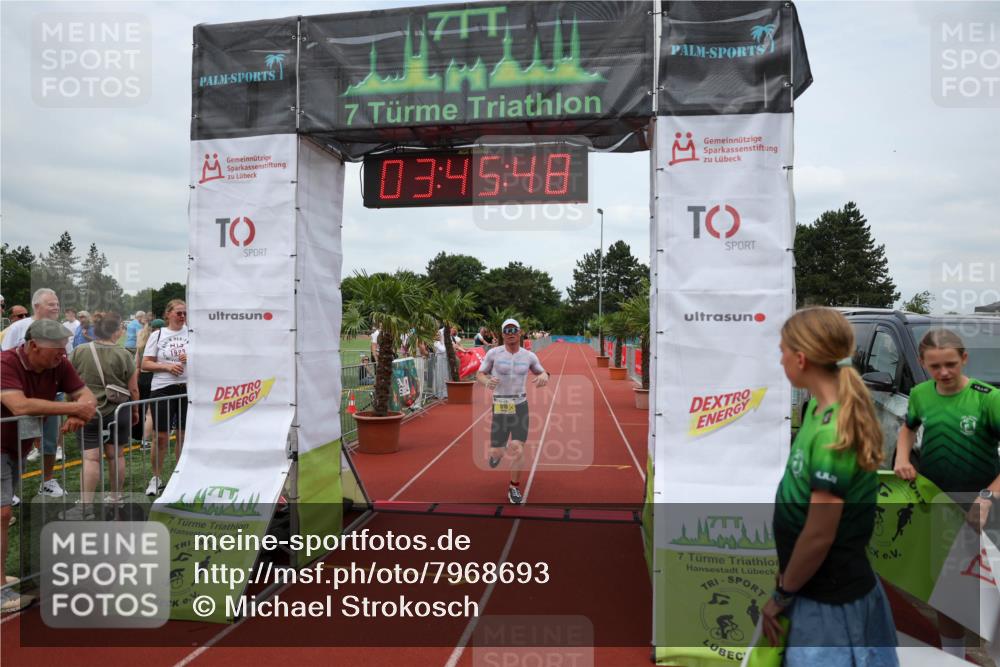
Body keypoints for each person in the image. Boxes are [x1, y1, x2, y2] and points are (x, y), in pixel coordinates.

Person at [764, 307, 897, 665]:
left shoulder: (833, 429)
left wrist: (781, 595)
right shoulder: (815, 412)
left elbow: (820, 532)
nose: (781, 361)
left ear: (801, 358)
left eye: (782, 351)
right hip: (816, 591)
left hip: (830, 603)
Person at [893, 328, 1000, 658]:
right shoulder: (922, 393)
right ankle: (952, 659)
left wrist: (987, 497)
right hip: (938, 503)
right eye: (935, 366)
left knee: (993, 588)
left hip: (985, 504)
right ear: (924, 364)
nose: (944, 373)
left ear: (964, 359)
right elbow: (908, 428)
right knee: (947, 585)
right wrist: (901, 457)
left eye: (951, 364)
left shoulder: (987, 397)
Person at [1, 319, 97, 613]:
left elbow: (87, 396)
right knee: (3, 513)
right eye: (57, 349)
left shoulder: (59, 364)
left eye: (65, 349)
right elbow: (19, 406)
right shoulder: (6, 362)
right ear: (32, 346)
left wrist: (82, 410)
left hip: (17, 447)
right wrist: (73, 408)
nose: (63, 355)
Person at [1, 288, 72, 495]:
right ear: (37, 306)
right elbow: (6, 358)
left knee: (50, 440)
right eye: (51, 303)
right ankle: (9, 490)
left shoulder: (59, 328)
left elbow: (65, 357)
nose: (56, 307)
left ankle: (47, 481)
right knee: (16, 443)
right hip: (22, 396)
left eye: (57, 303)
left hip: (52, 393)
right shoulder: (19, 327)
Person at [69, 312, 139, 511]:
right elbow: (133, 388)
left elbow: (68, 381)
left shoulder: (79, 351)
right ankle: (116, 497)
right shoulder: (124, 353)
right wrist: (135, 410)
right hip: (118, 411)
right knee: (116, 455)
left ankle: (85, 505)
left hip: (87, 410)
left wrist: (70, 407)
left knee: (91, 458)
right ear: (116, 331)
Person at [476, 318, 549, 505]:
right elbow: (480, 374)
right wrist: (486, 382)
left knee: (517, 448)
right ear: (502, 334)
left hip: (520, 406)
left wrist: (543, 376)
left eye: (513, 330)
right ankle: (496, 454)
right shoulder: (493, 354)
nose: (510, 333)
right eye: (506, 330)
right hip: (500, 405)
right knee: (498, 451)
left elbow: (543, 372)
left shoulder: (529, 356)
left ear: (520, 332)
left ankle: (513, 487)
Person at [142, 300, 188, 497]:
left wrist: (192, 357)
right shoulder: (157, 334)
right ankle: (157, 477)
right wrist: (168, 367)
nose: (182, 316)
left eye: (185, 313)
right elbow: (145, 364)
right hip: (162, 388)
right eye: (178, 313)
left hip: (187, 388)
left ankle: (180, 477)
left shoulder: (193, 333)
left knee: (183, 436)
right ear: (168, 314)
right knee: (161, 437)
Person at [132, 318, 163, 446]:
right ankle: (145, 440)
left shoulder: (141, 343)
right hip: (153, 377)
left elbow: (137, 365)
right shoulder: (158, 342)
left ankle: (137, 435)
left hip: (142, 378)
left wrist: (135, 381)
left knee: (141, 407)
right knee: (150, 411)